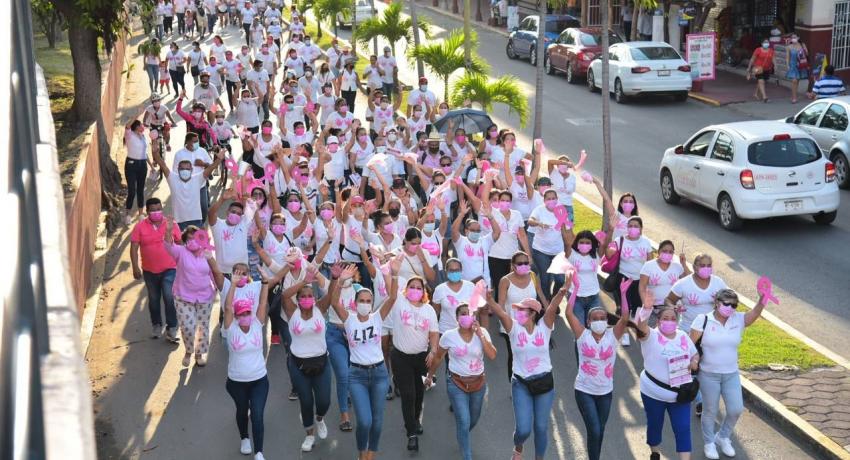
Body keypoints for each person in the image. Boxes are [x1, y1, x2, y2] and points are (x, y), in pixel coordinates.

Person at [564, 274, 638, 460]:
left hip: (605, 392)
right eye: (595, 318)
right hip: (584, 390)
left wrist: (623, 293)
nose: (599, 320)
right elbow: (568, 313)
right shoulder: (582, 335)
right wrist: (575, 290)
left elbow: (625, 317)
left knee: (600, 430)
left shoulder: (613, 336)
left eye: (603, 317)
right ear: (588, 322)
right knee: (595, 430)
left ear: (607, 321)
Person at [691, 288, 769, 460]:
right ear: (717, 303)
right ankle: (709, 442)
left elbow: (755, 313)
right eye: (727, 304)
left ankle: (723, 437)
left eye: (734, 305)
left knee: (735, 409)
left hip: (731, 374)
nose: (730, 308)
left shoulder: (738, 319)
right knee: (710, 410)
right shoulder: (702, 320)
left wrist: (763, 298)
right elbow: (690, 345)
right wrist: (694, 359)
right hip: (708, 374)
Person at [330, 263, 395, 460]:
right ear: (356, 302)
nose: (365, 303)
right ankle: (361, 453)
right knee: (364, 421)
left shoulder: (377, 317)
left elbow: (392, 297)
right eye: (362, 300)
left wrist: (396, 273)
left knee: (377, 421)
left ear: (372, 302)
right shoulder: (349, 319)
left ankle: (370, 454)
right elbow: (334, 302)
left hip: (379, 374)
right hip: (357, 375)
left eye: (369, 300)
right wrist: (340, 281)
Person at [488, 291, 558, 460]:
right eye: (517, 310)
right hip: (521, 384)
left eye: (522, 310)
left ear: (533, 313)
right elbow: (501, 312)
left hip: (544, 384)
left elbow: (552, 308)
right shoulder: (513, 328)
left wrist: (562, 292)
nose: (517, 313)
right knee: (523, 429)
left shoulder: (545, 327)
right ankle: (518, 447)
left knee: (541, 427)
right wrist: (489, 299)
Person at [425, 302, 497, 460]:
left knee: (473, 418)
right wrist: (430, 376)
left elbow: (492, 355)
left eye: (470, 313)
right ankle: (466, 454)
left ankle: (462, 434)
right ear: (457, 318)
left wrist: (481, 335)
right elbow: (438, 357)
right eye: (463, 313)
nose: (466, 316)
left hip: (478, 383)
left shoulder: (482, 332)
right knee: (463, 420)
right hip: (456, 383)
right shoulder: (449, 336)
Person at [634, 298, 700, 460]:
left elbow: (695, 353)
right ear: (658, 321)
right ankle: (655, 451)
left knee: (683, 428)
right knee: (655, 425)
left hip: (680, 394)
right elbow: (640, 327)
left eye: (673, 319)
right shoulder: (650, 336)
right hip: (653, 393)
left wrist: (694, 362)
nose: (669, 322)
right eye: (665, 318)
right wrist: (646, 308)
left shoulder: (683, 336)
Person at [280, 261, 334, 452]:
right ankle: (309, 435)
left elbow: (331, 294)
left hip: (321, 362)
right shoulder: (292, 311)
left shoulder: (320, 309)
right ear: (298, 298)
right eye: (303, 296)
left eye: (310, 296)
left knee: (324, 401)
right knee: (305, 400)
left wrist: (334, 278)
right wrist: (304, 280)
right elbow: (284, 295)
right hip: (298, 364)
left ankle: (319, 418)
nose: (307, 298)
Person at [222, 264, 270, 460]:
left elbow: (262, 304)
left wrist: (265, 282)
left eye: (246, 313)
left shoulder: (257, 324)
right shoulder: (230, 328)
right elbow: (227, 307)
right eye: (240, 314)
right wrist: (232, 286)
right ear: (236, 316)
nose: (244, 317)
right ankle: (244, 438)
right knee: (242, 410)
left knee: (257, 414)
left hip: (259, 380)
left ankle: (259, 452)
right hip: (236, 382)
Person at [388, 273, 439, 452]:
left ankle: (415, 419)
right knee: (408, 395)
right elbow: (392, 293)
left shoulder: (429, 310)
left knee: (418, 393)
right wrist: (394, 274)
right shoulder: (399, 303)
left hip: (421, 357)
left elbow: (434, 333)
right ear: (406, 290)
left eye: (419, 288)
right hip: (401, 357)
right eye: (412, 287)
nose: (415, 290)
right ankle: (411, 434)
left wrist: (433, 350)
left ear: (424, 292)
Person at [163, 220, 220, 367]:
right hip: (183, 297)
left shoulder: (208, 254)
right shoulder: (180, 252)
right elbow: (169, 245)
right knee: (188, 327)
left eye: (195, 238)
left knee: (202, 326)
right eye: (189, 239)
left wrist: (220, 289)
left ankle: (199, 354)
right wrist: (168, 231)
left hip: (205, 297)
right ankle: (189, 351)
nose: (192, 241)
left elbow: (214, 273)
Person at [130, 198, 183, 342]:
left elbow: (180, 243)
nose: (156, 212)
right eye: (153, 210)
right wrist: (135, 266)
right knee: (153, 299)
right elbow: (134, 247)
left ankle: (172, 328)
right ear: (147, 212)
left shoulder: (171, 225)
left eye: (159, 209)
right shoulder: (140, 227)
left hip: (170, 269)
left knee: (169, 296)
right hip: (149, 270)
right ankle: (156, 325)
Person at [150, 133, 222, 230]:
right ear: (178, 169)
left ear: (191, 170)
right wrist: (155, 154)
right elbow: (163, 165)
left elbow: (211, 168)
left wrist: (219, 159)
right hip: (179, 223)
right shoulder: (173, 179)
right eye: (182, 169)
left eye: (187, 169)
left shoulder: (197, 179)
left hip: (196, 221)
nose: (185, 171)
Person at [497, 251, 548, 382]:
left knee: (533, 351)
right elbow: (501, 304)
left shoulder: (532, 276)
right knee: (515, 355)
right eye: (520, 263)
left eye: (526, 263)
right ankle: (515, 382)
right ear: (513, 265)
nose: (524, 265)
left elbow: (540, 294)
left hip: (532, 323)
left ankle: (532, 378)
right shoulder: (505, 281)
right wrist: (505, 323)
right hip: (513, 326)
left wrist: (549, 310)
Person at [605, 216, 652, 346]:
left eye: (636, 226)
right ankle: (624, 333)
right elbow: (608, 255)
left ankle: (637, 329)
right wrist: (611, 246)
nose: (633, 228)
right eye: (630, 226)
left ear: (641, 229)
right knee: (624, 309)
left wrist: (649, 281)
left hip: (640, 281)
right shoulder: (619, 240)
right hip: (623, 279)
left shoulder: (646, 242)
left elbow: (650, 261)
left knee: (637, 308)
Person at [639, 240, 689, 326]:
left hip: (672, 309)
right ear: (659, 251)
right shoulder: (648, 266)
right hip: (653, 308)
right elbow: (642, 287)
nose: (667, 254)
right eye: (665, 251)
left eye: (670, 252)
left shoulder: (677, 267)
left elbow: (689, 280)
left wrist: (684, 264)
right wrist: (646, 303)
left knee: (669, 334)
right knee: (648, 333)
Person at [123, 110, 150, 225]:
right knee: (132, 191)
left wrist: (150, 165)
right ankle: (128, 214)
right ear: (135, 127)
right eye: (140, 125)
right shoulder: (129, 135)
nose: (142, 127)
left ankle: (140, 214)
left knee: (140, 190)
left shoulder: (143, 137)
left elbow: (144, 153)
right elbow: (127, 125)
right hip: (131, 165)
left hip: (142, 164)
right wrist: (136, 114)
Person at [785, 34, 809, 103]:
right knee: (794, 81)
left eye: (794, 37)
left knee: (797, 81)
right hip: (793, 65)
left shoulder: (802, 45)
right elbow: (787, 57)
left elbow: (807, 54)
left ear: (798, 38)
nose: (793, 39)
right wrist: (787, 65)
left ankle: (795, 95)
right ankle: (794, 97)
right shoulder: (789, 47)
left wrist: (804, 49)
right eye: (792, 38)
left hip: (801, 64)